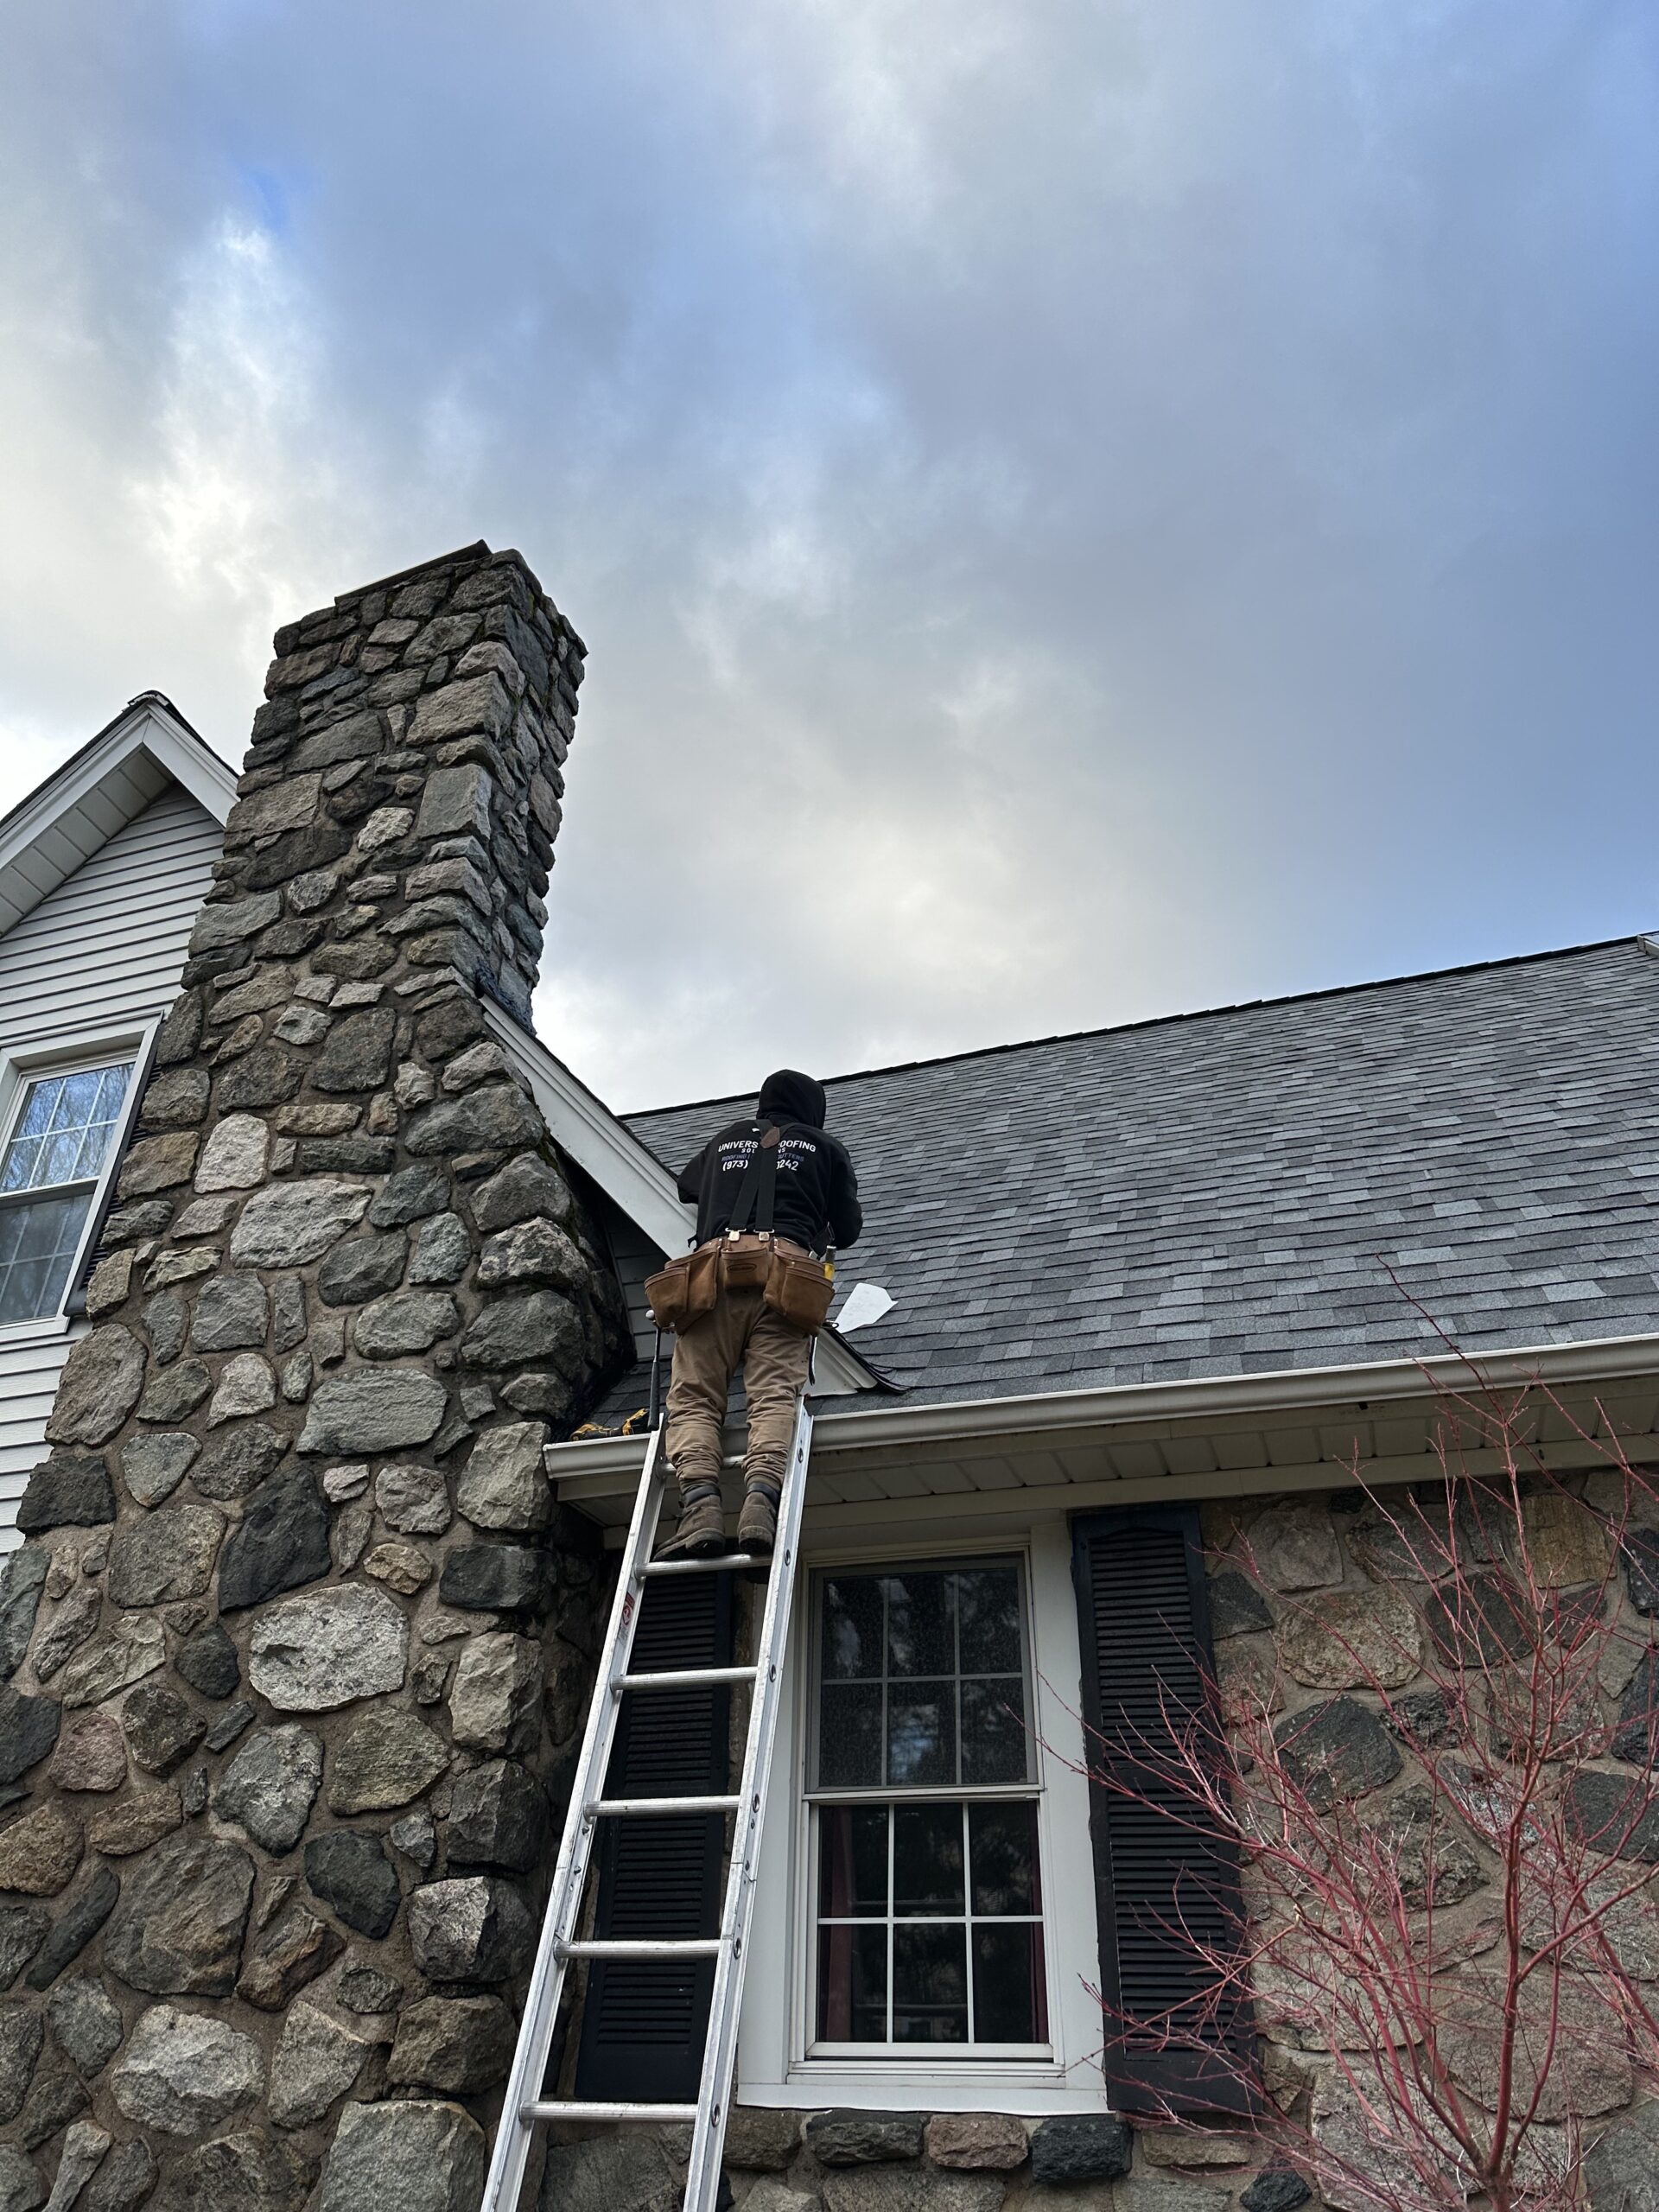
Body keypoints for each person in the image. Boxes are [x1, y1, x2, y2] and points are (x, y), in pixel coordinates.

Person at [662, 1069, 862, 1558]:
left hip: (713, 1277)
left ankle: (701, 1507)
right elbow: (849, 1229)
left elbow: (688, 1188)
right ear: (812, 1108)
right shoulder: (825, 1147)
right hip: (786, 1280)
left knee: (694, 1399)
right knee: (773, 1396)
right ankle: (760, 1504)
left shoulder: (724, 1139)